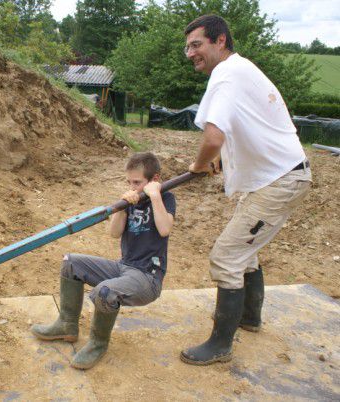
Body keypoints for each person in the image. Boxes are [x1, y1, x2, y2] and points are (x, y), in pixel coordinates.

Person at [181, 15, 312, 365]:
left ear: (220, 40)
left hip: (279, 181)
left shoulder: (225, 76)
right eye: (188, 46)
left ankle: (220, 344)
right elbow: (245, 126)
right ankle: (250, 318)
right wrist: (222, 158)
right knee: (244, 252)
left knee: (226, 257)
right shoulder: (240, 70)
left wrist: (199, 164)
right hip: (281, 176)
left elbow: (213, 136)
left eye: (196, 44)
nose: (189, 53)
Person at [31, 152, 176, 369]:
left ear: (154, 180)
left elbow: (164, 229)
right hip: (124, 267)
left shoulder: (165, 198)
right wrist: (123, 208)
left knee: (105, 292)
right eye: (129, 182)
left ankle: (98, 343)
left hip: (147, 277)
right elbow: (114, 233)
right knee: (70, 262)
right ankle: (67, 325)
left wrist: (155, 195)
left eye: (137, 182)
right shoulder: (133, 201)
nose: (132, 186)